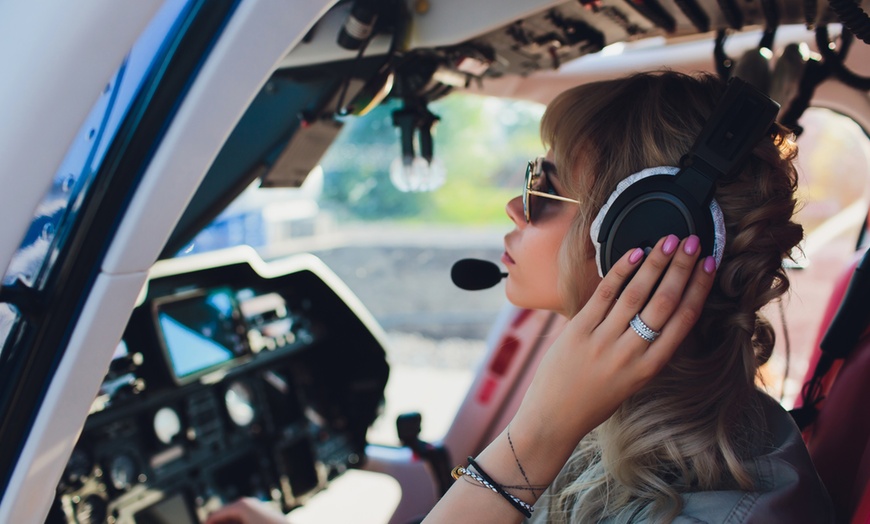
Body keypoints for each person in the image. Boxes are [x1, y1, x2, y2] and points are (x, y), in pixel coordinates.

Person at [207, 71, 833, 523]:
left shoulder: (711, 512)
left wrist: (531, 440)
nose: (514, 205)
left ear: (644, 236)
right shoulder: (650, 428)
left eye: (543, 184)